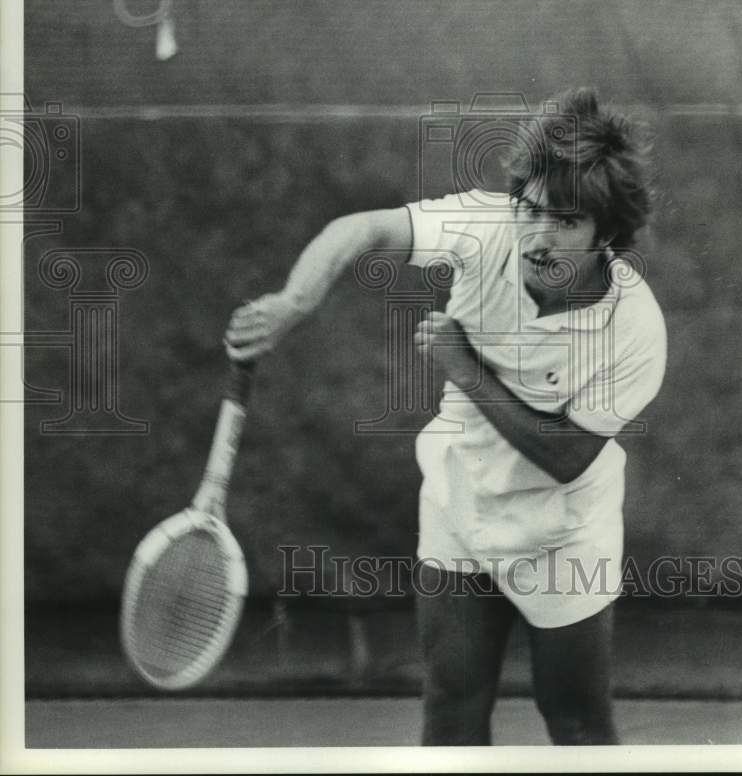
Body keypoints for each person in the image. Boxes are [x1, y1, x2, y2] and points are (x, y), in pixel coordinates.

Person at [225, 87, 667, 746]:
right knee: (452, 709)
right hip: (460, 509)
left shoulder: (635, 328)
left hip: (565, 534)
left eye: (566, 221)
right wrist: (294, 302)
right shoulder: (485, 227)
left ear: (608, 233)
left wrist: (465, 368)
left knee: (576, 721)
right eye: (529, 209)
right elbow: (362, 228)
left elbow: (567, 456)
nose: (537, 235)